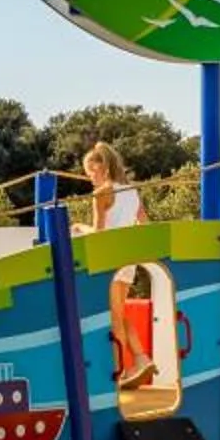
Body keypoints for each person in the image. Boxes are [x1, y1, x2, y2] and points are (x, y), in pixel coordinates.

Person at [78, 142, 154, 387]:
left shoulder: (102, 194)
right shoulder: (131, 191)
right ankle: (141, 358)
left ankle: (123, 371)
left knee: (114, 317)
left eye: (92, 172)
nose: (90, 179)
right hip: (128, 259)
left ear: (102, 167)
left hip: (109, 260)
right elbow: (145, 224)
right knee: (120, 313)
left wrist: (79, 227)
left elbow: (99, 235)